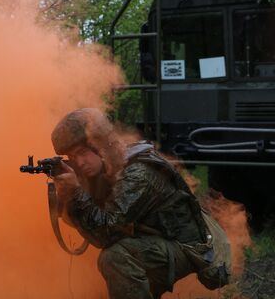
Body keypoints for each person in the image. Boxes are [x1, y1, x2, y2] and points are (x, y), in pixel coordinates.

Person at [50, 108, 231, 299]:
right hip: (153, 240)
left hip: (187, 248)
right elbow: (92, 227)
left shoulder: (138, 173)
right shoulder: (108, 167)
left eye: (82, 152)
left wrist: (77, 193)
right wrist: (67, 196)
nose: (79, 162)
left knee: (115, 257)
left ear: (101, 144)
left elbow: (104, 232)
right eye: (72, 157)